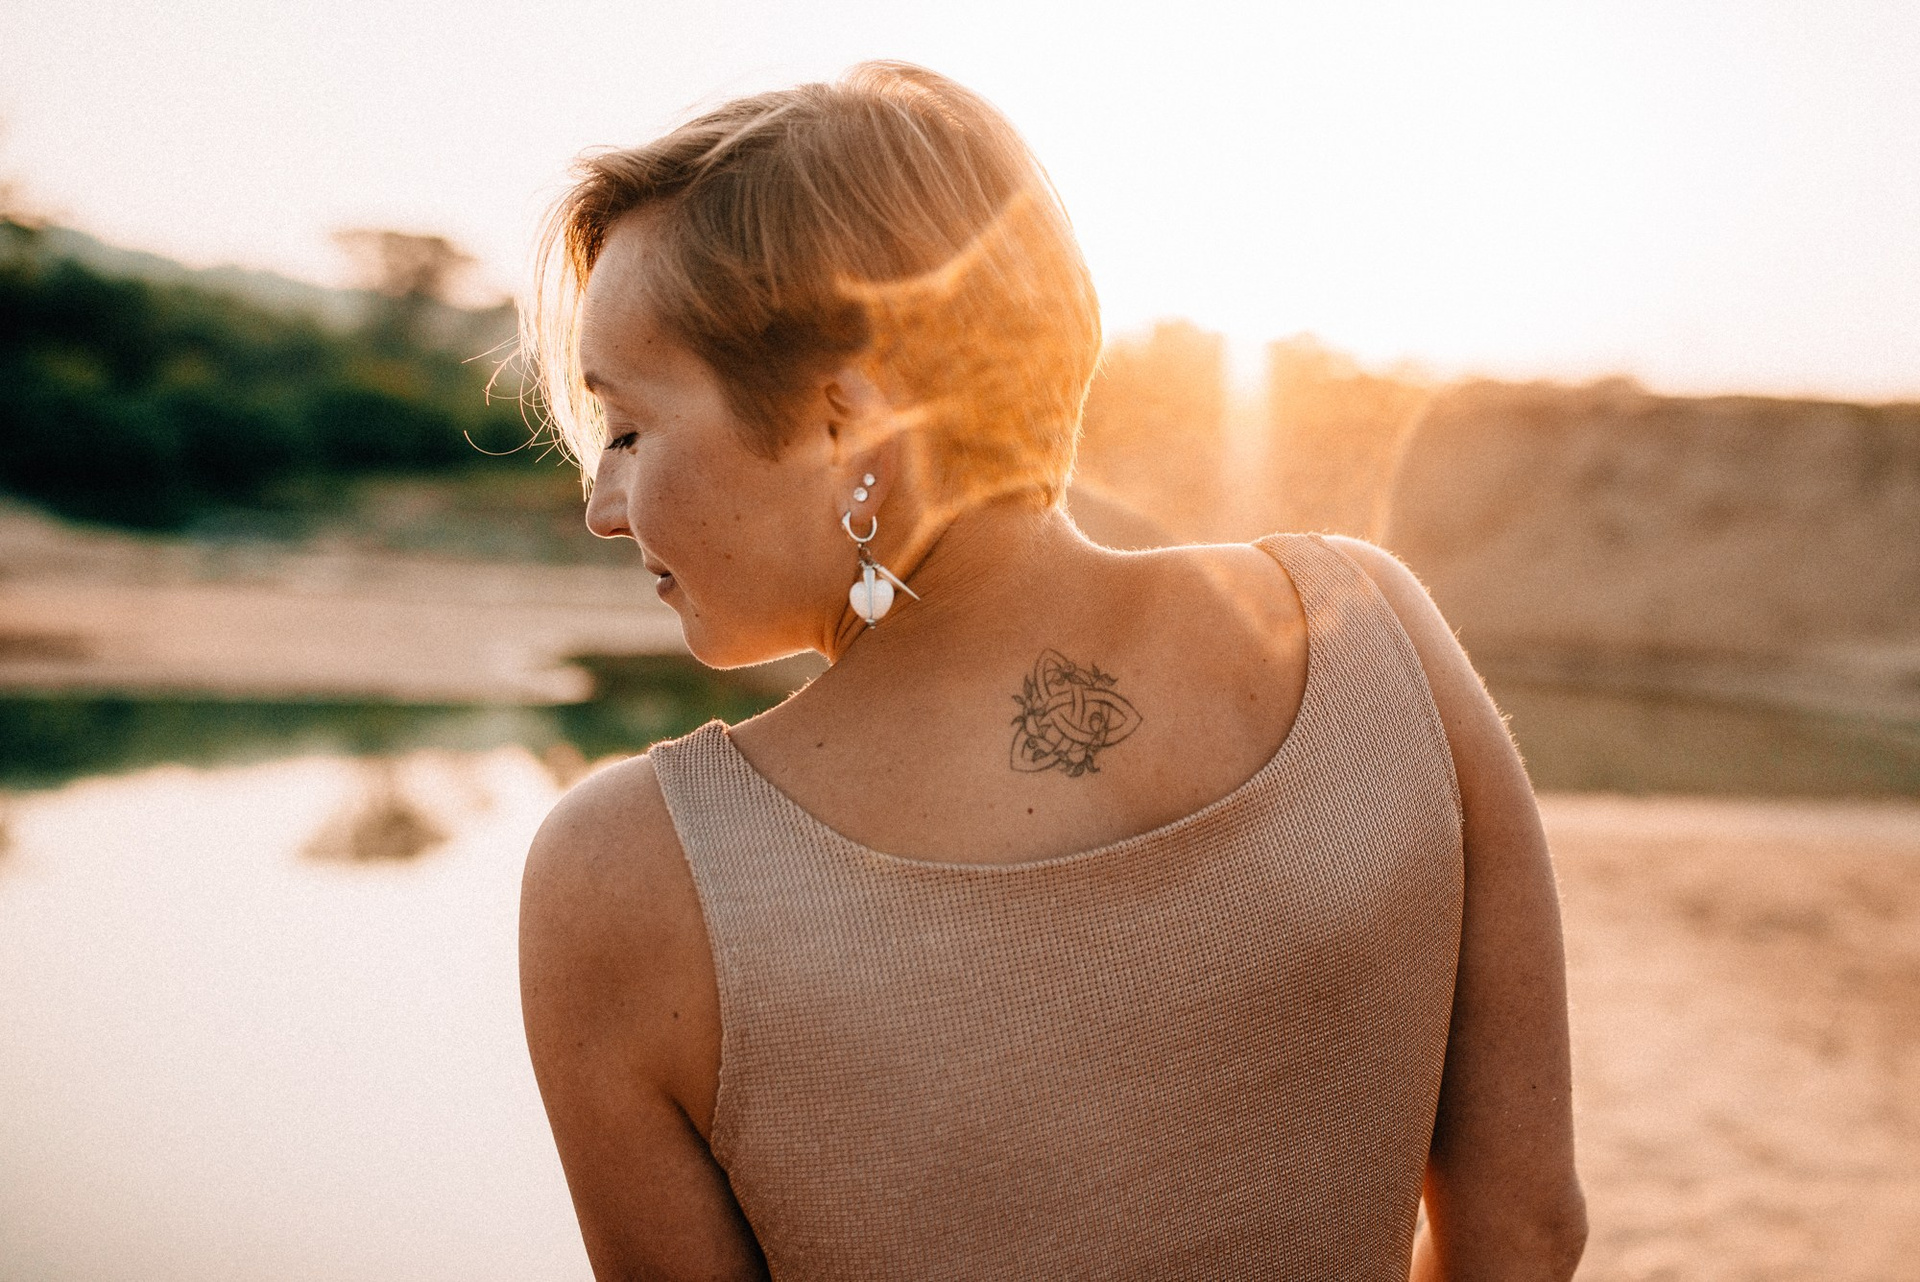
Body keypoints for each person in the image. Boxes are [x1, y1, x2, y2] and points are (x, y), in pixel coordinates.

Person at [517, 61, 1585, 1281]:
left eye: (628, 429)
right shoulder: (1369, 630)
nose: (603, 505)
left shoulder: (629, 875)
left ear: (846, 423)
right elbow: (1527, 1232)